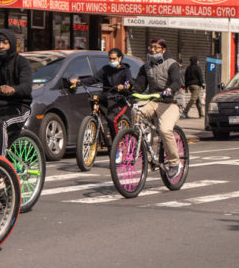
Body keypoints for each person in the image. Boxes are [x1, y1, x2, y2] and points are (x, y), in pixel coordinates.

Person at [133, 38, 183, 178]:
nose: (153, 50)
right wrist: (130, 89)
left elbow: (176, 81)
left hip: (171, 102)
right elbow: (140, 85)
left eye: (156, 48)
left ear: (164, 50)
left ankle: (174, 162)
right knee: (136, 110)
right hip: (153, 100)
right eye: (151, 47)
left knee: (165, 130)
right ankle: (141, 142)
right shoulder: (146, 66)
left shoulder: (172, 64)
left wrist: (170, 89)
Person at [70, 48, 132, 137]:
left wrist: (124, 86)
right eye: (110, 58)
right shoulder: (106, 69)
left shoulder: (125, 70)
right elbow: (93, 79)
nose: (111, 60)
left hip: (119, 99)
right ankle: (98, 128)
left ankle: (117, 144)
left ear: (120, 58)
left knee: (112, 119)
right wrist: (79, 82)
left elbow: (129, 82)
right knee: (94, 99)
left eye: (114, 59)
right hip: (107, 96)